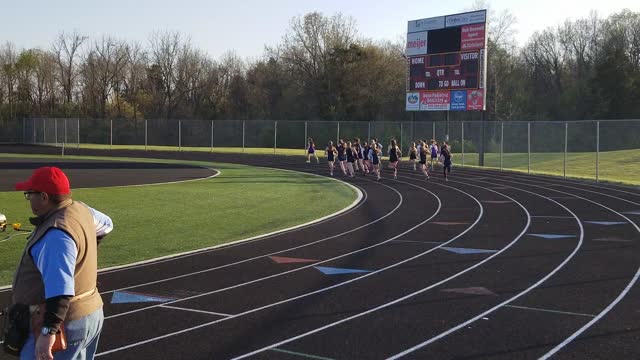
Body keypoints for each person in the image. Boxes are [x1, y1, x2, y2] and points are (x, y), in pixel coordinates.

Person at [12, 166, 106, 360]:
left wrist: (48, 332)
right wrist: (83, 260)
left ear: (44, 197)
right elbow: (107, 224)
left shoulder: (56, 234)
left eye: (30, 194)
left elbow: (60, 290)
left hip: (66, 324)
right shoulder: (82, 209)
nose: (29, 199)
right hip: (90, 313)